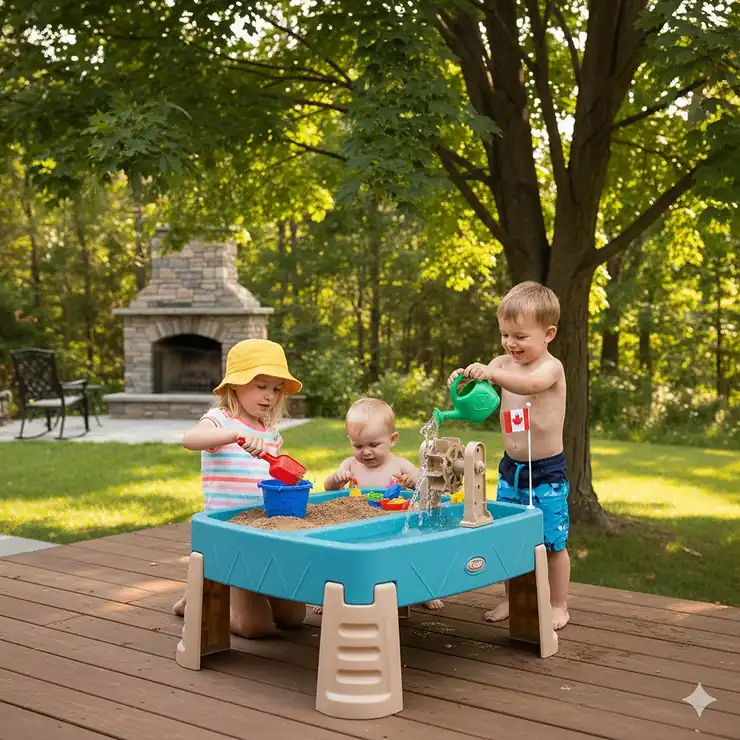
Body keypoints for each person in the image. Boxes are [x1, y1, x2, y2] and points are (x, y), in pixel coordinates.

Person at [447, 281, 570, 630]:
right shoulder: (502, 363)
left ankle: (558, 604)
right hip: (510, 468)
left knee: (552, 541)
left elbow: (528, 386)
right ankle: (512, 598)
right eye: (504, 334)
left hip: (545, 471)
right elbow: (481, 402)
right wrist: (462, 385)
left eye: (519, 336)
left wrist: (493, 373)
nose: (510, 344)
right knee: (510, 537)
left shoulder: (551, 368)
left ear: (548, 334)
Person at [172, 338, 307, 638]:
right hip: (230, 537)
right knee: (255, 627)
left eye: (275, 389)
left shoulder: (270, 432)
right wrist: (230, 435)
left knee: (293, 617)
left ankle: (202, 594)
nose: (269, 396)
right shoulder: (220, 421)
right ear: (235, 385)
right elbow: (189, 439)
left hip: (263, 532)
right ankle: (198, 602)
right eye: (261, 386)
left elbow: (271, 477)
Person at [322, 397, 443, 611]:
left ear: (392, 439)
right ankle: (334, 597)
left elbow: (424, 488)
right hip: (359, 526)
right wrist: (337, 478)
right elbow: (329, 489)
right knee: (345, 559)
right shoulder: (350, 464)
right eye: (358, 445)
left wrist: (412, 482)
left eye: (374, 444)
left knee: (412, 555)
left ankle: (423, 591)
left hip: (395, 527)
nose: (366, 452)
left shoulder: (400, 465)